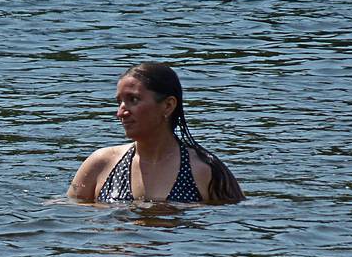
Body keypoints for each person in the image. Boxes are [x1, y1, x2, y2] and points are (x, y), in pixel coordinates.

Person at [67, 62, 244, 204]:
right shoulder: (101, 164)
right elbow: (68, 215)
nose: (120, 112)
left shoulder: (204, 170)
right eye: (119, 102)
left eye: (133, 100)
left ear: (168, 105)